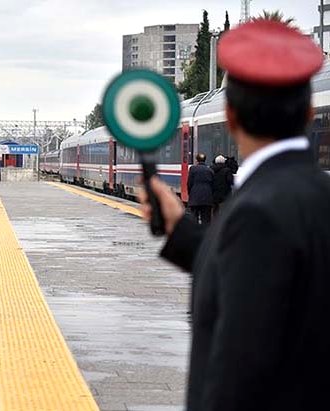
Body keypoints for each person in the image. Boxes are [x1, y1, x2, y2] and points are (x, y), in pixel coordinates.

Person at [139, 20, 330, 411]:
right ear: (308, 112)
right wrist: (183, 233)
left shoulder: (258, 212)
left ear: (231, 117)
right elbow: (287, 283)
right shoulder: (313, 195)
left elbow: (238, 375)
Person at [187, 153, 213, 224]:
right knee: (206, 218)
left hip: (195, 196)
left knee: (194, 217)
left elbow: (189, 183)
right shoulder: (210, 170)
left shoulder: (193, 169)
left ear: (197, 160)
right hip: (207, 197)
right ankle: (205, 233)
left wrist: (190, 193)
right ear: (205, 160)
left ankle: (195, 232)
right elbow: (212, 184)